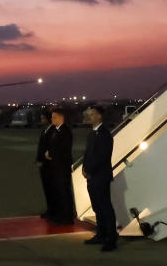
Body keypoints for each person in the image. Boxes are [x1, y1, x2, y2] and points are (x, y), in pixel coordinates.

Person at [82, 105, 117, 252]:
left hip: (101, 176)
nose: (89, 116)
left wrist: (89, 170)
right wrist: (84, 168)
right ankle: (101, 235)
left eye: (92, 114)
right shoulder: (92, 134)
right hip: (92, 176)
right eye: (89, 114)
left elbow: (103, 157)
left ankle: (111, 239)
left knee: (105, 208)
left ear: (99, 116)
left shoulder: (105, 134)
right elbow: (87, 154)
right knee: (97, 207)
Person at [44, 108, 74, 224]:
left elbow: (63, 149)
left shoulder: (65, 131)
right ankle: (60, 215)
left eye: (54, 117)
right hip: (56, 167)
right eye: (52, 117)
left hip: (62, 167)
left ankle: (67, 217)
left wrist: (50, 154)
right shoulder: (56, 130)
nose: (52, 119)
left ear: (61, 118)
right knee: (58, 192)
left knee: (64, 192)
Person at [35, 110, 55, 219]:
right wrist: (38, 160)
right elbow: (40, 147)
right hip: (44, 165)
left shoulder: (53, 131)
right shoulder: (44, 131)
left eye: (43, 118)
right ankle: (50, 209)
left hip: (50, 166)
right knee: (47, 189)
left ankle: (54, 210)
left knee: (52, 189)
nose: (42, 120)